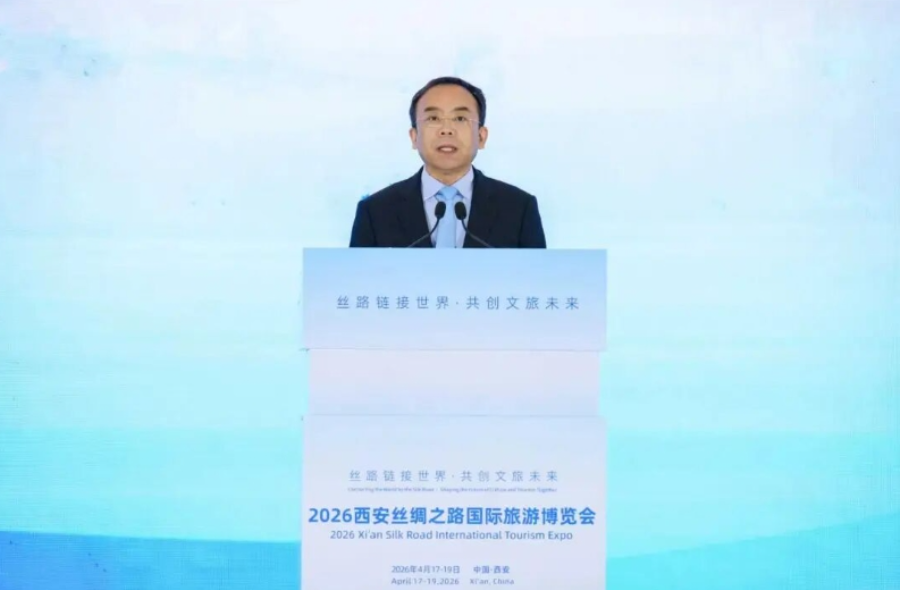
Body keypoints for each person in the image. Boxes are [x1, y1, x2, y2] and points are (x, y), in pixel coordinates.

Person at [348, 76, 546, 248]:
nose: (446, 130)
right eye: (433, 118)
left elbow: (537, 277)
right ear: (414, 137)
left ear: (481, 136)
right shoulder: (375, 211)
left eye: (460, 118)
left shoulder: (519, 208)